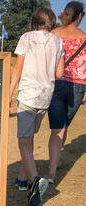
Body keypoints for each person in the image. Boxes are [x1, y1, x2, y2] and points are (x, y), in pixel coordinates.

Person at [10, 7, 65, 206]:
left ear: (34, 23)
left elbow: (18, 68)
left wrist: (9, 93)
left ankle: (34, 180)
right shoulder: (58, 41)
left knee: (24, 141)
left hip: (28, 94)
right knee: (30, 137)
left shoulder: (26, 37)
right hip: (45, 97)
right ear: (51, 23)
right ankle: (22, 179)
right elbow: (60, 72)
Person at [47, 1, 86, 184]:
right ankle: (55, 164)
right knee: (63, 126)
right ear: (80, 16)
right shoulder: (84, 38)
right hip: (77, 87)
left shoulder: (54, 34)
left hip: (55, 83)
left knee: (58, 128)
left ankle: (52, 171)